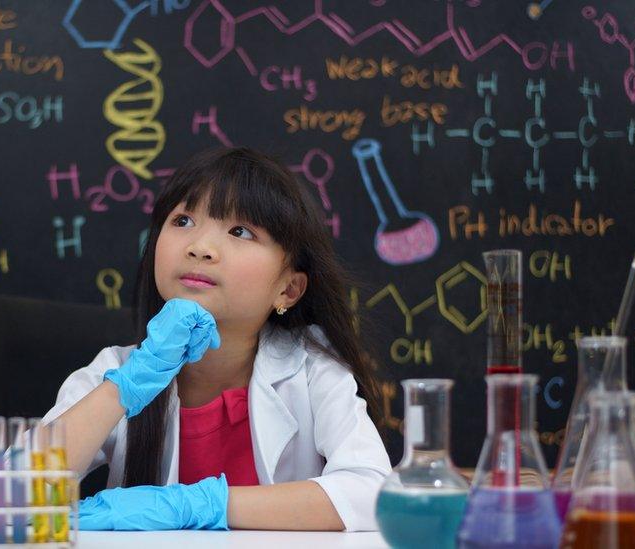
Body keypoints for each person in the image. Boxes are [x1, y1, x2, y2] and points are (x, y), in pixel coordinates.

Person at [41, 146, 391, 531]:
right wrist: (123, 389)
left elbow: (373, 493)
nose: (199, 247)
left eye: (240, 231)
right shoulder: (117, 371)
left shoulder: (312, 370)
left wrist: (198, 504)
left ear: (289, 290)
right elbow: (10, 493)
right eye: (183, 220)